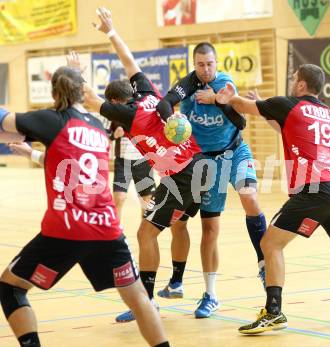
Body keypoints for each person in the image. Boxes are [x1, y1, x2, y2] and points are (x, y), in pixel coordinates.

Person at [215, 63, 330, 334]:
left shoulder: (287, 103)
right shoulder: (326, 112)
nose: (292, 82)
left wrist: (224, 97)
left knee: (270, 243)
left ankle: (274, 312)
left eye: (294, 79)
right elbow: (287, 129)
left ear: (302, 84)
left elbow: (242, 107)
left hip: (316, 188)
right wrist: (261, 105)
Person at [0, 64, 169, 346]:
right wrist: (30, 149)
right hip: (107, 229)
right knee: (139, 297)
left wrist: (20, 135)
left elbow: (6, 122)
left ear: (54, 92)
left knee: (11, 287)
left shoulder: (50, 120)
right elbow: (64, 158)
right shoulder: (97, 128)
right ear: (83, 92)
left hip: (65, 229)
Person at [84, 7, 208, 323]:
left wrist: (76, 71)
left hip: (182, 176)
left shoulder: (127, 115)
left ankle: (147, 302)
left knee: (145, 233)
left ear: (116, 104)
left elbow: (87, 99)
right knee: (177, 226)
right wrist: (111, 32)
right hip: (199, 168)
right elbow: (130, 63)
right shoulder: (150, 94)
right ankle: (176, 283)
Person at [154, 42, 267, 318]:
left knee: (249, 196)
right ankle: (210, 294)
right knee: (209, 230)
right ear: (195, 64)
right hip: (205, 163)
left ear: (217, 64)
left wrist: (218, 100)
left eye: (210, 64)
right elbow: (163, 103)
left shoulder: (225, 84)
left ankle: (264, 261)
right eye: (201, 64)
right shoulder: (188, 87)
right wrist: (173, 120)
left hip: (234, 151)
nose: (206, 69)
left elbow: (241, 123)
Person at [105, 80, 157, 218]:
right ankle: (115, 234)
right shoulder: (112, 114)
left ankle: (145, 234)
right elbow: (103, 137)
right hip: (123, 161)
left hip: (143, 160)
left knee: (147, 201)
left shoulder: (141, 109)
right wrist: (113, 135)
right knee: (119, 198)